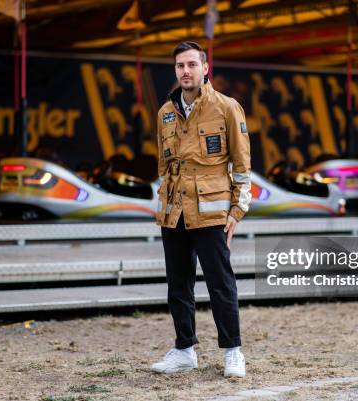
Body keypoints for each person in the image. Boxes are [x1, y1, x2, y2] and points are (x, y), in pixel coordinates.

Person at [150, 41, 251, 378]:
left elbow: (241, 166)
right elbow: (163, 167)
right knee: (178, 285)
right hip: (173, 212)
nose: (186, 71)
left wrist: (237, 211)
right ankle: (184, 350)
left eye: (192, 64)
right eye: (180, 66)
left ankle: (233, 351)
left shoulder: (226, 107)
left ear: (206, 68)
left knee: (221, 284)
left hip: (211, 213)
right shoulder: (165, 112)